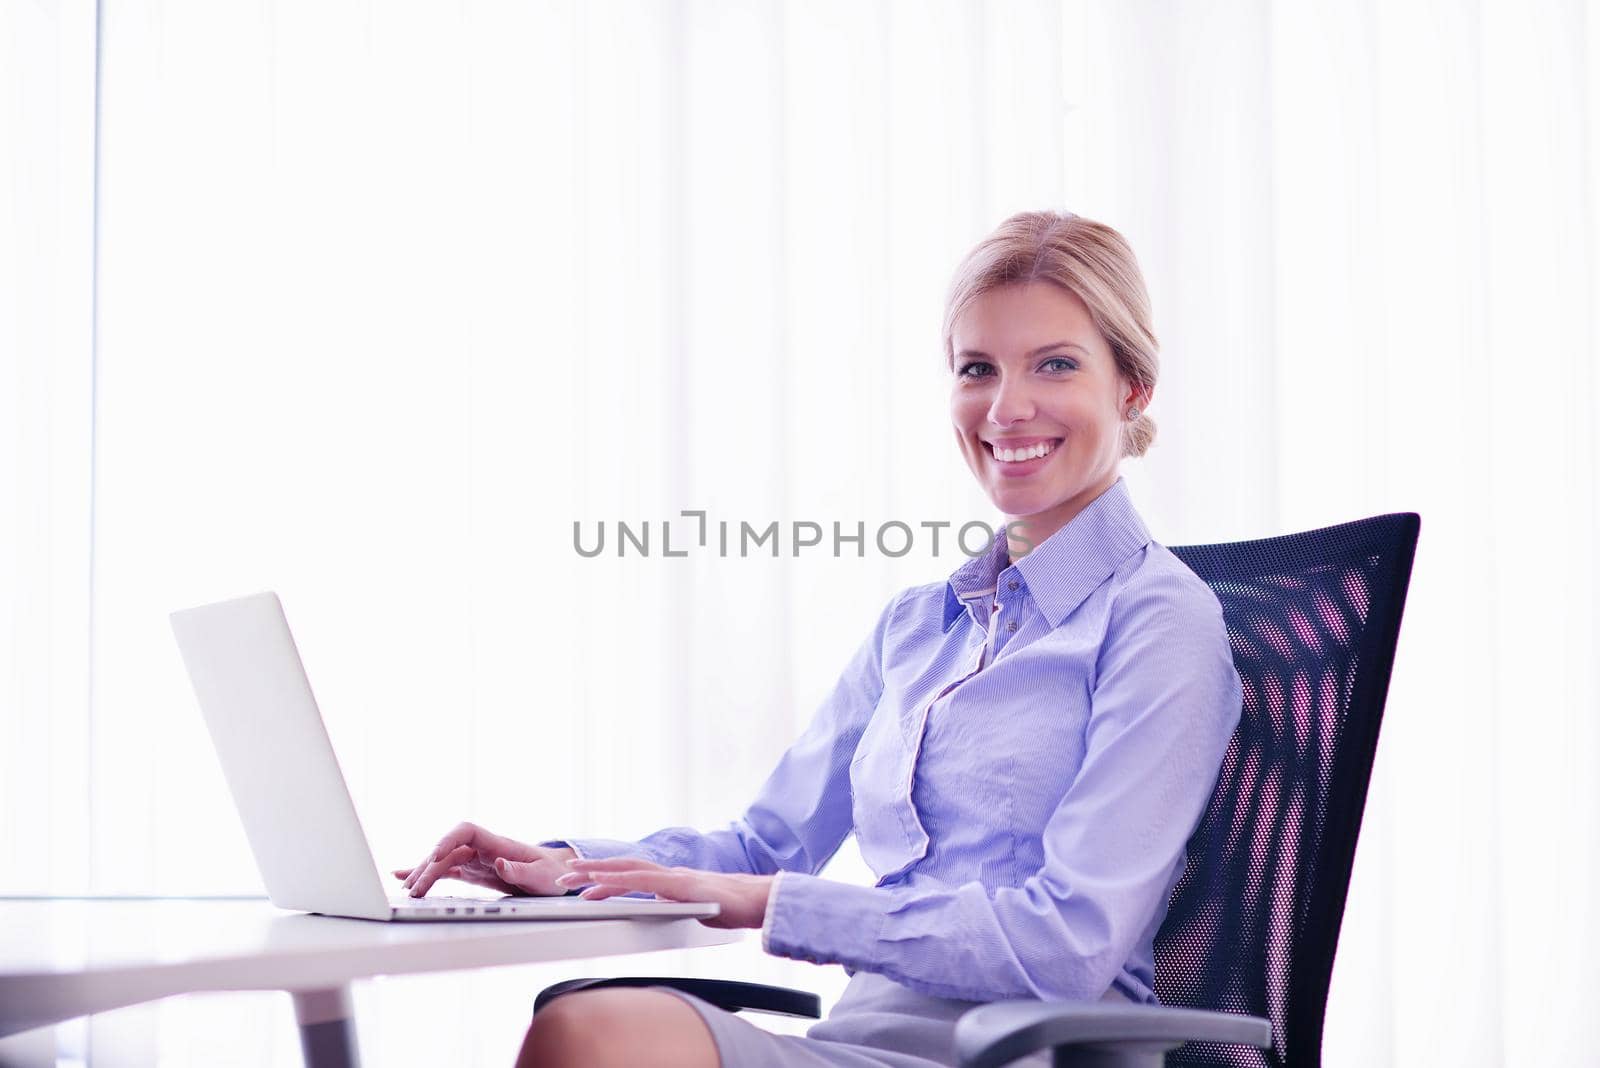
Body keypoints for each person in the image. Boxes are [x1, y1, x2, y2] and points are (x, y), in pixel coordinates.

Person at [392, 210, 1245, 1067]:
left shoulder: (1160, 620)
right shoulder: (922, 626)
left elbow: (1069, 941)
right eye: (976, 369)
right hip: (863, 1041)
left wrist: (774, 904)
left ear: (1131, 387)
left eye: (1054, 364)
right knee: (592, 1026)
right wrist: (566, 866)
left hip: (1027, 1054)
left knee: (595, 1035)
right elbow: (760, 845)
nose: (1005, 406)